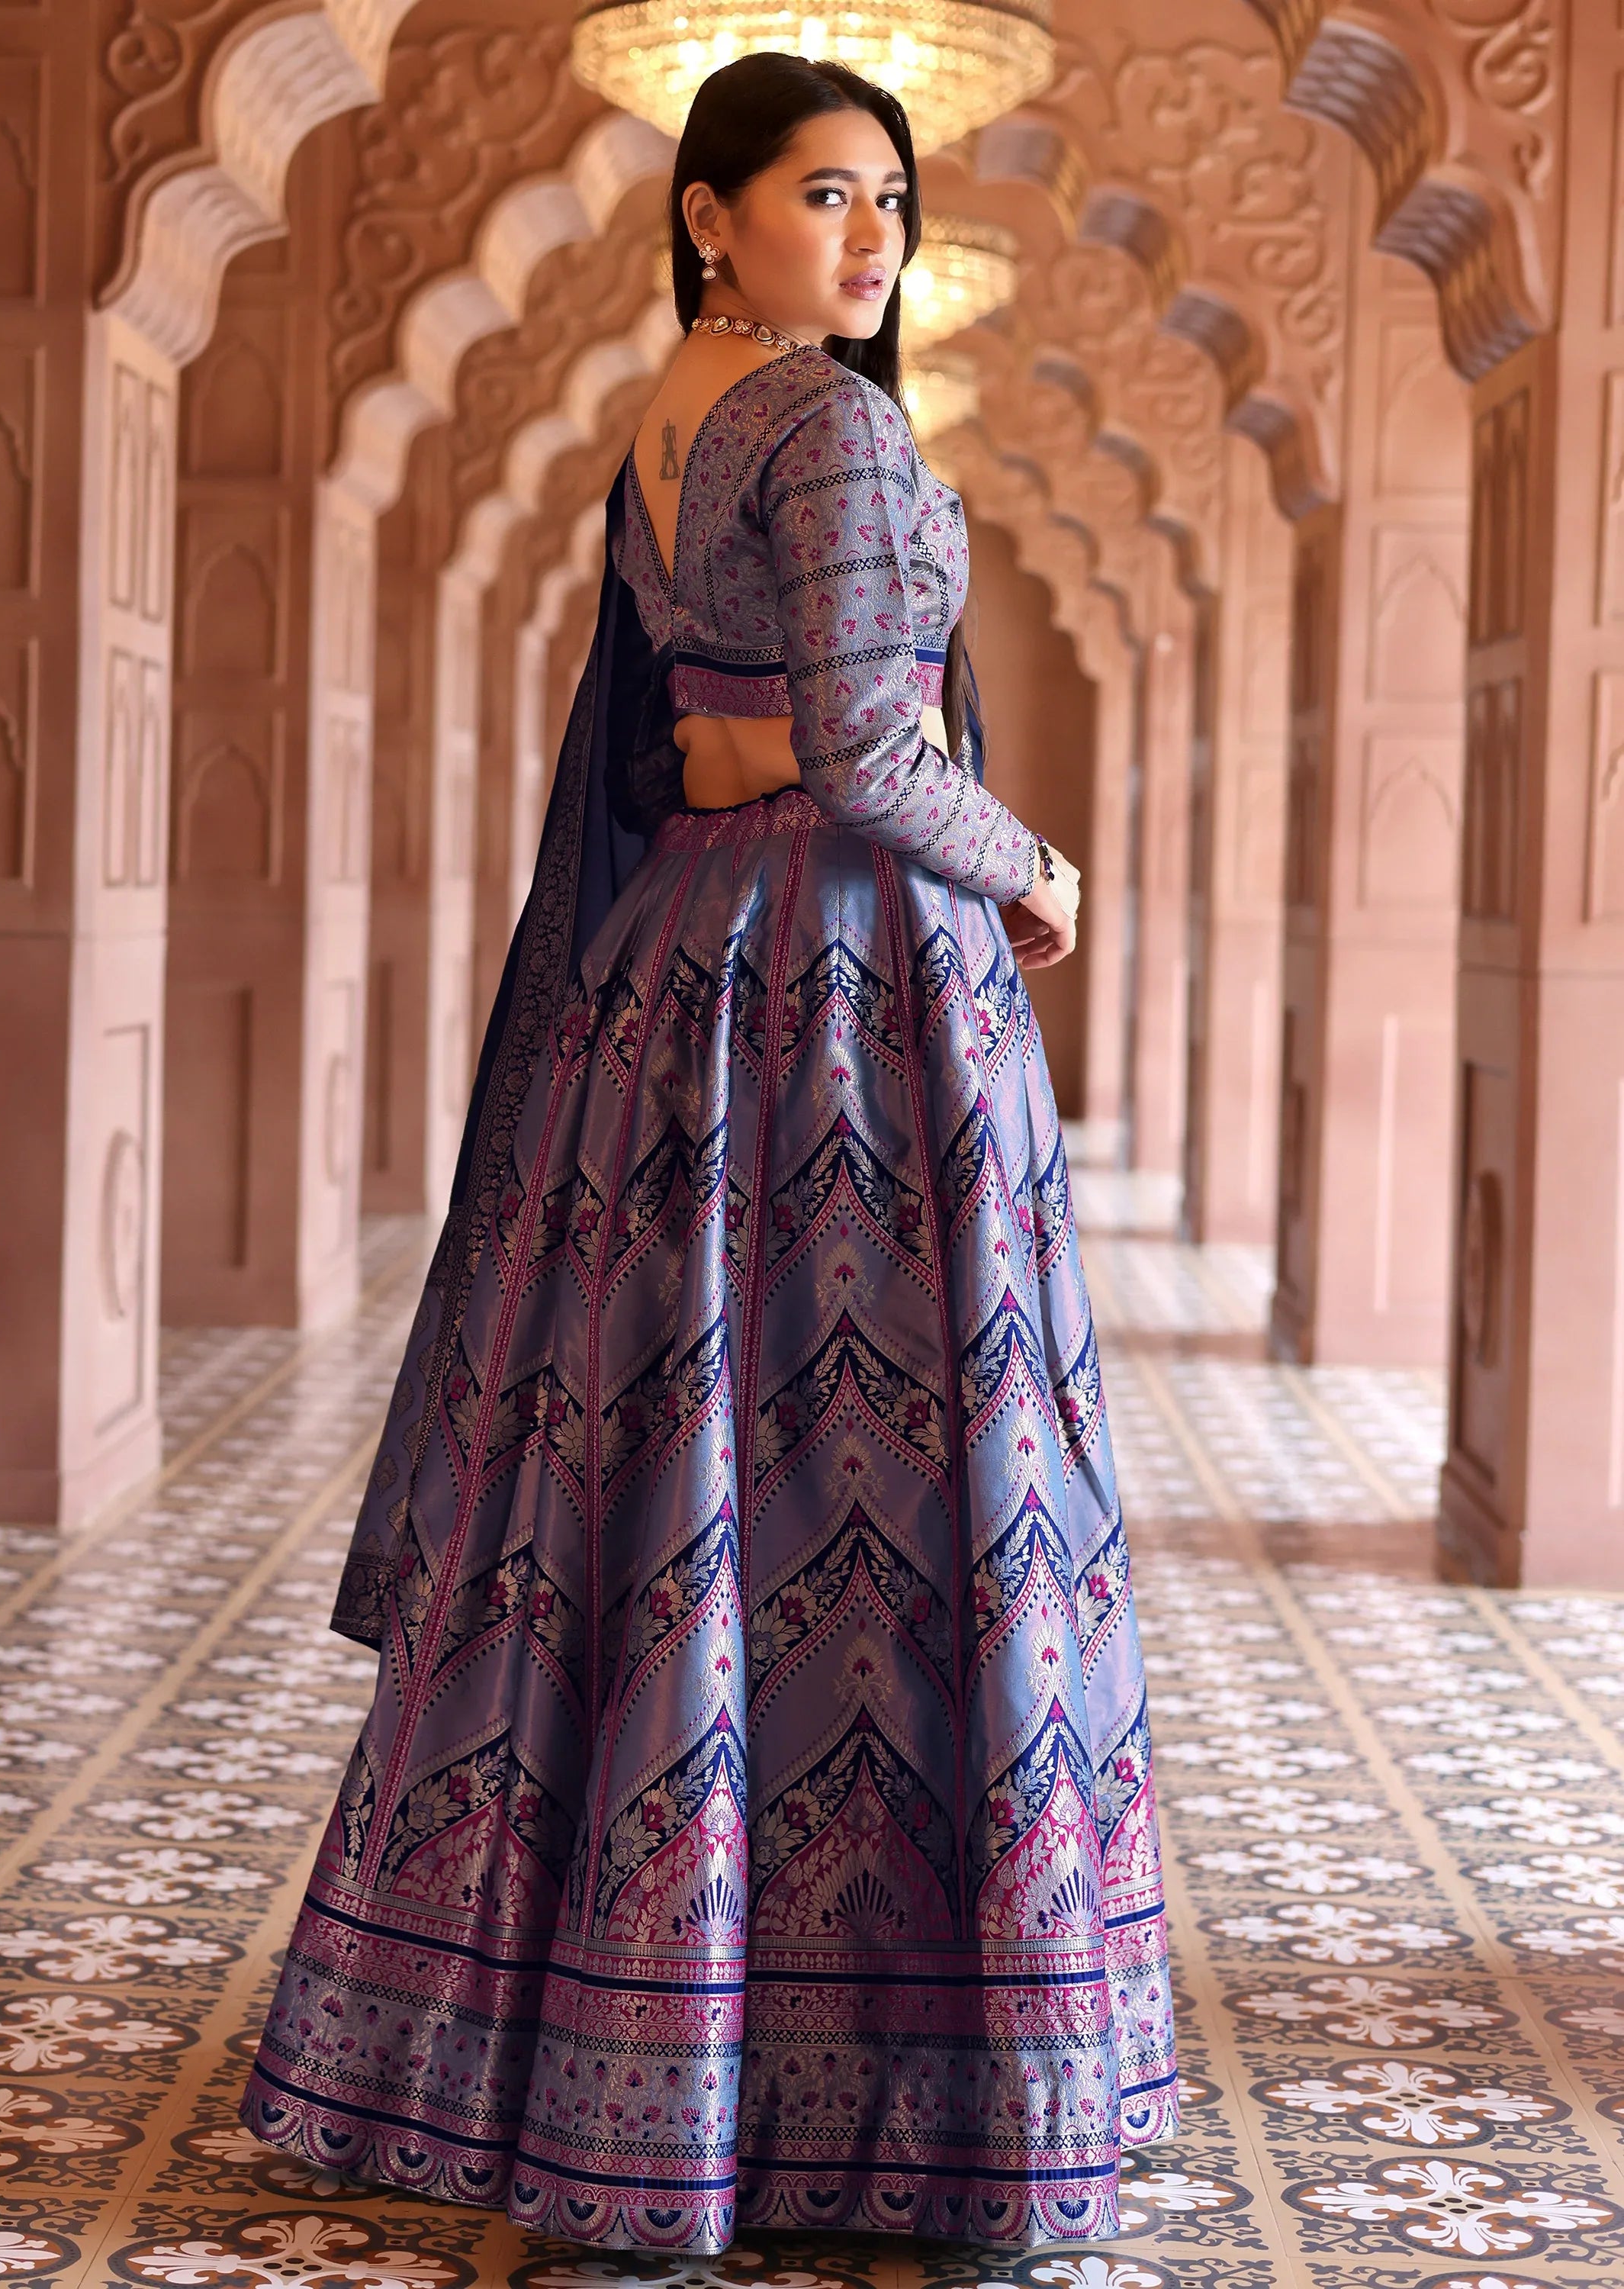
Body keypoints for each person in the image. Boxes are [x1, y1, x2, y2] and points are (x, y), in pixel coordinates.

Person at [240, 50, 1175, 2253]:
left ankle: (632, 2074)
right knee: (875, 1489)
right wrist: (1027, 856)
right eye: (822, 197)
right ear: (706, 214)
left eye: (887, 202)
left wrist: (817, 747)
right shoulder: (835, 422)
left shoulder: (667, 415)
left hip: (678, 977)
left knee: (672, 1471)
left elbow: (730, 725)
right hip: (841, 1000)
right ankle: (917, 2111)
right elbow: (862, 744)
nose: (868, 239)